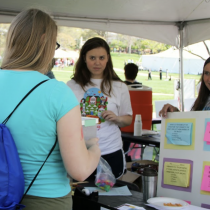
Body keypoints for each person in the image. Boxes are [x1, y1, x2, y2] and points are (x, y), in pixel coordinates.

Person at [0, 9, 100, 210]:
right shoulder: (57, 92)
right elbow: (79, 171)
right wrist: (95, 149)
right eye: (54, 45)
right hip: (44, 200)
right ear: (44, 41)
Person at [67, 37, 133, 179]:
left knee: (110, 197)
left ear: (108, 58)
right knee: (82, 196)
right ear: (84, 58)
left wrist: (117, 118)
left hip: (111, 151)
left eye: (101, 58)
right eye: (92, 58)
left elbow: (128, 119)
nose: (97, 62)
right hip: (80, 151)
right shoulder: (72, 86)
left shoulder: (119, 86)